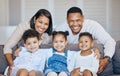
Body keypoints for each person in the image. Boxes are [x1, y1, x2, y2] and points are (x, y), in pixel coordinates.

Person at [55, 6, 116, 74]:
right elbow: (52, 44)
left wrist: (106, 58)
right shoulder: (60, 28)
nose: (75, 24)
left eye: (78, 20)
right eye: (71, 21)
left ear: (83, 18)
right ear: (67, 20)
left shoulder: (93, 26)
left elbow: (109, 41)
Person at [3, 9, 53, 76]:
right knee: (23, 72)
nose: (42, 26)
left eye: (46, 24)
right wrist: (11, 65)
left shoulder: (49, 35)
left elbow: (58, 44)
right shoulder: (24, 26)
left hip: (34, 68)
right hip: (22, 67)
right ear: (35, 19)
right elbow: (7, 46)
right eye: (40, 22)